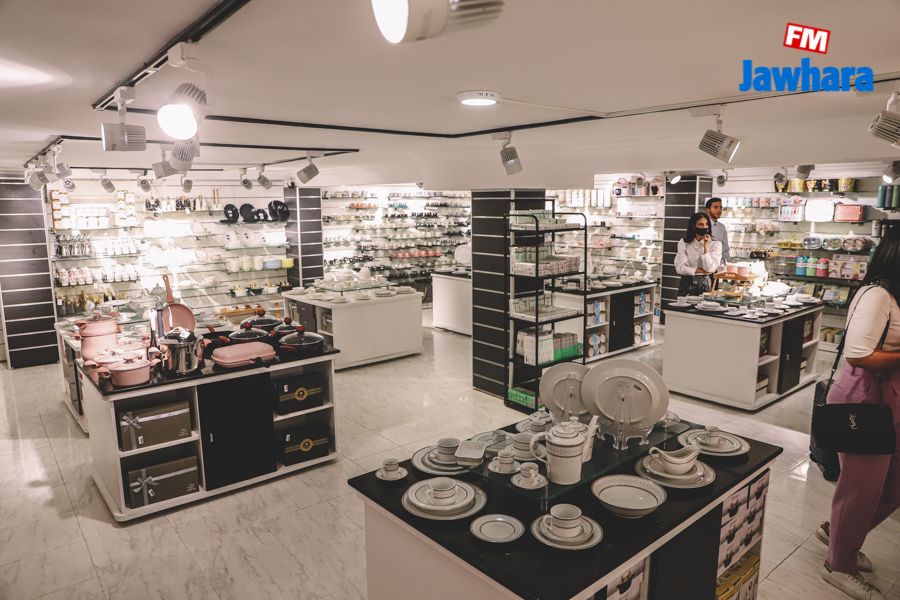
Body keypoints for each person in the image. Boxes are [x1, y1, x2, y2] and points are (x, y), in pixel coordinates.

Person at [818, 224, 900, 600]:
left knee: (892, 486)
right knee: (860, 491)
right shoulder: (877, 295)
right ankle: (840, 563)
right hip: (864, 398)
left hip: (888, 397)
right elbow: (857, 354)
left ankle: (839, 534)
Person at [674, 212, 722, 296]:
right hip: (686, 283)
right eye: (700, 224)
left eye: (706, 224)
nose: (704, 227)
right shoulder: (684, 243)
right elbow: (679, 268)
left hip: (705, 284)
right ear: (693, 226)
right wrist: (700, 271)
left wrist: (705, 247)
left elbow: (709, 268)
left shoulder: (715, 244)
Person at [704, 197, 730, 263]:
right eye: (715, 207)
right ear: (708, 210)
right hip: (703, 264)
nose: (719, 210)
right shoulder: (702, 226)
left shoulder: (722, 227)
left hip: (718, 265)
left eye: (720, 207)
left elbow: (725, 248)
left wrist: (727, 263)